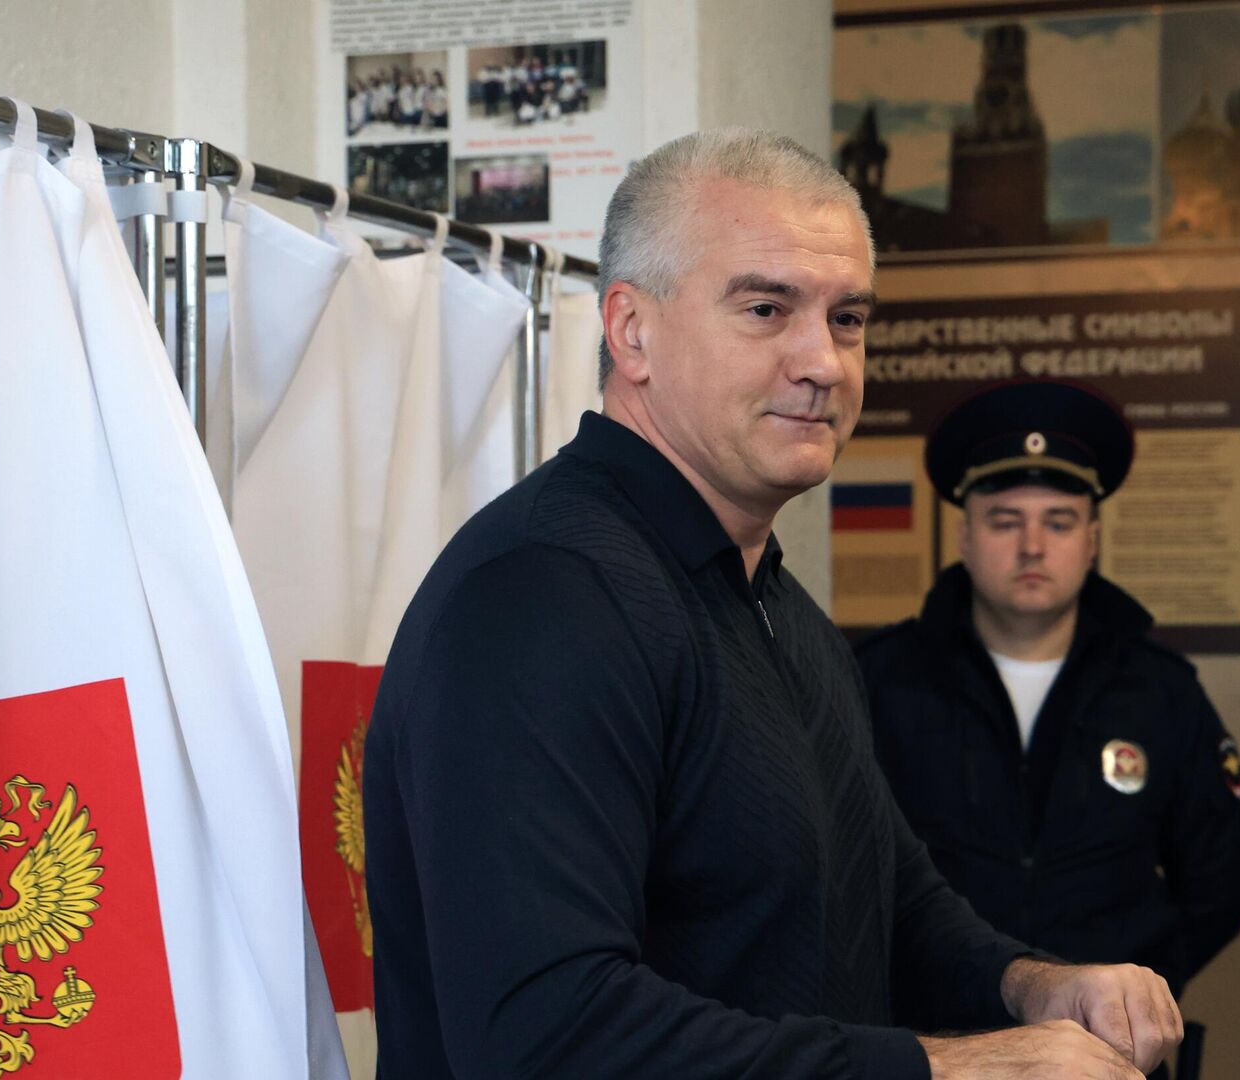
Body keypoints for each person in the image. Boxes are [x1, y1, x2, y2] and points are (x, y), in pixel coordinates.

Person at [364, 129, 1183, 1080]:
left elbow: (884, 900)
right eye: (766, 309)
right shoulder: (541, 595)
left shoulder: (782, 611)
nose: (824, 361)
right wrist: (955, 1070)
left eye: (848, 319)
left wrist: (1031, 986)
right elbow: (550, 1034)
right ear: (631, 331)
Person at [856, 383, 1240, 1047]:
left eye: (1060, 522)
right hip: (935, 1048)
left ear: (1092, 539)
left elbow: (1223, 882)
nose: (1033, 546)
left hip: (1107, 1053)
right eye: (1005, 520)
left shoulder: (1160, 691)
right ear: (964, 535)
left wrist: (1140, 984)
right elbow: (845, 869)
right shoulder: (881, 681)